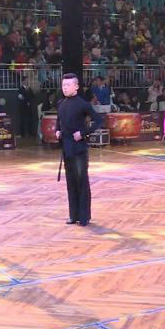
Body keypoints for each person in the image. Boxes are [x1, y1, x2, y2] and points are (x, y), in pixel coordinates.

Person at [56, 73, 103, 226]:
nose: (65, 88)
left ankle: (84, 217)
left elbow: (98, 120)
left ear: (76, 86)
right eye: (63, 85)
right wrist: (57, 131)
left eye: (68, 85)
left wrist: (83, 133)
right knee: (70, 182)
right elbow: (59, 121)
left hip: (79, 149)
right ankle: (73, 215)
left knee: (82, 181)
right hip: (67, 148)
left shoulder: (83, 104)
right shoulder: (61, 103)